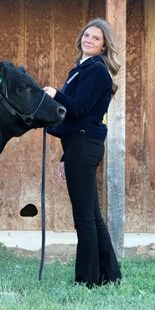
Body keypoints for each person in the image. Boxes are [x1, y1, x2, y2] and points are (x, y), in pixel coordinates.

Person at [43, 18, 122, 287]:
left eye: (96, 38)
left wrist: (55, 94)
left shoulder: (96, 70)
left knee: (84, 217)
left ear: (104, 46)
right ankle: (110, 275)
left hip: (84, 145)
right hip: (79, 146)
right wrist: (66, 157)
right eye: (87, 35)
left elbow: (77, 109)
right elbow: (80, 116)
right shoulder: (82, 68)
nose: (89, 40)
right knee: (92, 215)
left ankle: (87, 280)